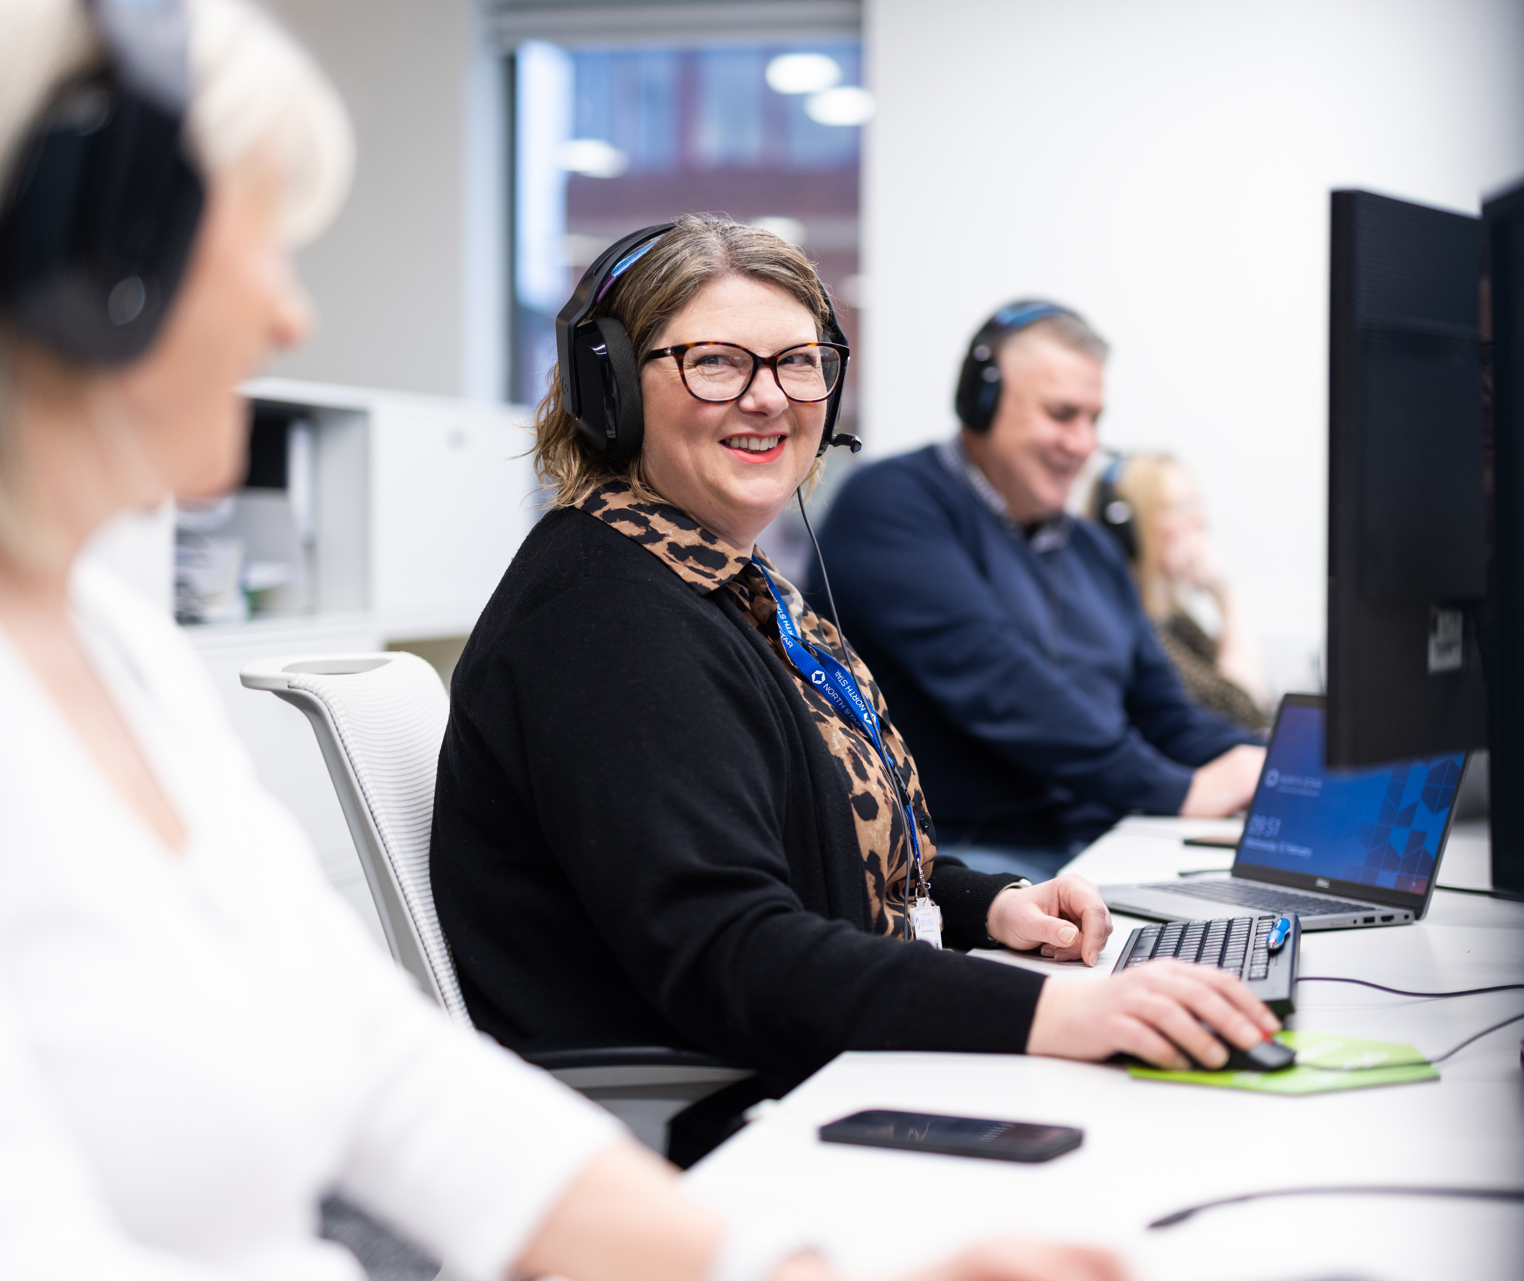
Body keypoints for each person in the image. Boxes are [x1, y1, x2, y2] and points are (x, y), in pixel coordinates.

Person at [0, 5, 1130, 1281]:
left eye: (798, 362)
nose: (290, 316)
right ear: (63, 259)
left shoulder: (109, 641)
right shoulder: (605, 608)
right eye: (251, 242)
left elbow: (388, 1072)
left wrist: (784, 1266)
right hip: (739, 1086)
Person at [429, 218, 1283, 1151]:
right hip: (717, 1117)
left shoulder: (709, 584)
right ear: (612, 386)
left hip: (802, 1060)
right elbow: (732, 951)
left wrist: (983, 904)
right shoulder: (604, 616)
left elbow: (806, 855)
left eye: (800, 363)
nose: (769, 399)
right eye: (716, 363)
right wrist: (1057, 1013)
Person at [807, 303, 1266, 882]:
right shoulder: (892, 505)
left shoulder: (1091, 550)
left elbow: (1167, 714)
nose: (1083, 443)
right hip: (971, 858)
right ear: (982, 400)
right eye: (1061, 414)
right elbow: (997, 681)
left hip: (1104, 841)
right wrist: (1179, 789)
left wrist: (1279, 766)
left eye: (1093, 420)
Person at [1090, 453, 1272, 732]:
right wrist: (1226, 597)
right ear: (1128, 530)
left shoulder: (1172, 618)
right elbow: (1241, 715)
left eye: (1196, 503)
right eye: (1179, 507)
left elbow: (1255, 702)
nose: (1198, 520)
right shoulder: (1130, 629)